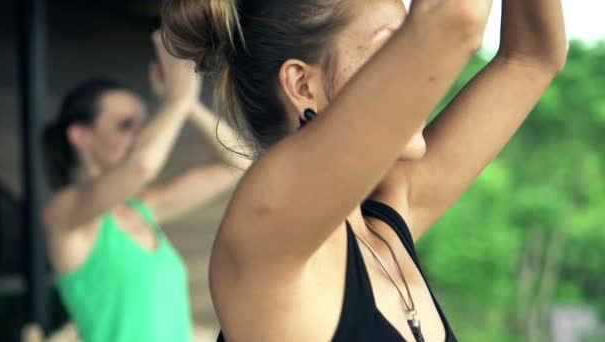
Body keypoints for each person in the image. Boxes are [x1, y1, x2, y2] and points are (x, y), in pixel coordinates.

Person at [162, 0, 567, 341]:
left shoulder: (388, 219)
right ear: (303, 85)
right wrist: (435, 30)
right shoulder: (266, 234)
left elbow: (532, 55)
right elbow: (453, 17)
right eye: (392, 48)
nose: (417, 69)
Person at [40, 32, 248, 342]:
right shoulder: (63, 215)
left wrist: (189, 105)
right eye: (126, 125)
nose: (140, 136)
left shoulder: (142, 208)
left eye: (142, 124)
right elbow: (142, 167)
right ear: (80, 136)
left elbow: (238, 163)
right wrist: (175, 103)